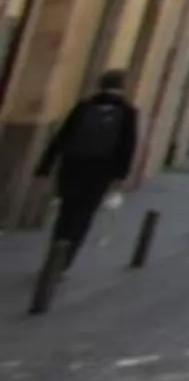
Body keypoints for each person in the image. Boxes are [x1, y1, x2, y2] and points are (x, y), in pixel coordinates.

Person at [32, 70, 139, 310]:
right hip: (99, 173)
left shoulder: (84, 106)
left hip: (71, 167)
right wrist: (120, 177)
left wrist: (44, 167)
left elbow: (61, 138)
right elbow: (127, 147)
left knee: (65, 213)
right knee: (83, 215)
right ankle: (64, 263)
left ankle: (53, 256)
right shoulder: (127, 112)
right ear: (122, 86)